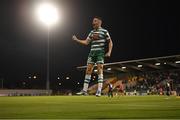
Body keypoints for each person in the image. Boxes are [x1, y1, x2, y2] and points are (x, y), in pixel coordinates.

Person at [72, 16, 113, 97]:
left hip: (100, 53)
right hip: (92, 53)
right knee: (88, 70)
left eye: (95, 21)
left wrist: (109, 51)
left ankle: (99, 91)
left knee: (99, 70)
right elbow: (86, 42)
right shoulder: (91, 32)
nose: (93, 23)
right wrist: (77, 40)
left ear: (100, 22)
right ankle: (84, 90)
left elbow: (110, 42)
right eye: (93, 21)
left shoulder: (104, 31)